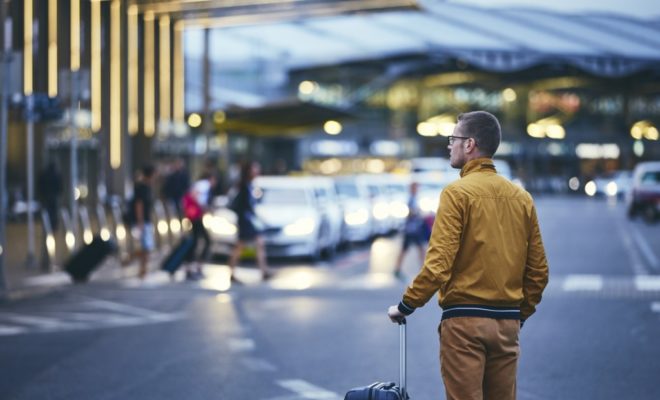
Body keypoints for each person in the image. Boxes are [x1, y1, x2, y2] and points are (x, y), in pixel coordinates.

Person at [387, 111, 549, 400]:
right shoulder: (522, 198)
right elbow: (538, 272)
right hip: (507, 325)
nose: (450, 145)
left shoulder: (456, 194)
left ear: (470, 144)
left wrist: (406, 305)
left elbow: (438, 266)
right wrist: (518, 315)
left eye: (453, 139)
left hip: (464, 324)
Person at [227, 161, 273, 282]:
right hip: (245, 222)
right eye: (255, 169)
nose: (257, 171)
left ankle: (263, 271)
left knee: (257, 244)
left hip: (248, 221)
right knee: (241, 246)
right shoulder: (244, 186)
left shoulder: (250, 186)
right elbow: (240, 205)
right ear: (249, 171)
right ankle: (232, 271)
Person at [182, 173, 215, 280]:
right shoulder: (204, 185)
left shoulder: (202, 185)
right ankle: (193, 268)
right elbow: (195, 196)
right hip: (195, 216)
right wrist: (203, 207)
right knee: (199, 241)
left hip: (195, 216)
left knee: (196, 241)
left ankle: (193, 268)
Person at [393, 182, 427, 279]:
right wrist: (418, 213)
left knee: (418, 249)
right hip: (412, 230)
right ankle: (397, 269)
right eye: (415, 188)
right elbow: (411, 213)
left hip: (413, 229)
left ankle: (398, 269)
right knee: (415, 249)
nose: (417, 190)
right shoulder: (411, 199)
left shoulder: (414, 198)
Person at [132, 165, 156, 280]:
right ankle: (142, 271)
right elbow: (139, 205)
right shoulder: (141, 188)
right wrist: (140, 221)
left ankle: (141, 268)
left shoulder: (148, 187)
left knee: (146, 247)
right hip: (143, 221)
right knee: (146, 247)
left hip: (146, 220)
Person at [38, 161, 63, 231]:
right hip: (54, 196)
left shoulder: (44, 174)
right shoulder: (56, 175)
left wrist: (42, 194)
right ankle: (53, 226)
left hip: (46, 196)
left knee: (47, 212)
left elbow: (40, 185)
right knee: (54, 212)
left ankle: (47, 226)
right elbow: (60, 185)